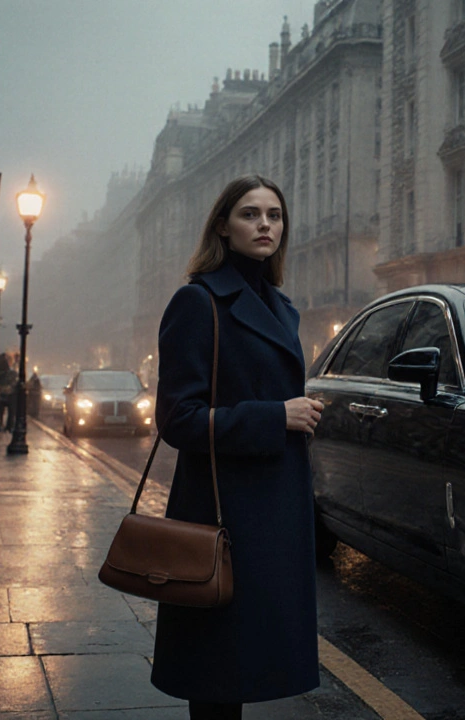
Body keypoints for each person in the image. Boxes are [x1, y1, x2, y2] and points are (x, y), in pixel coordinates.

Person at [150, 176, 324, 720]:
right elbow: (177, 418)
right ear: (223, 226)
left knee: (239, 664)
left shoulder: (279, 305)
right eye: (250, 214)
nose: (265, 225)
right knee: (217, 672)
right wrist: (277, 417)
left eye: (275, 215)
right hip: (223, 513)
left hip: (270, 512)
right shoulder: (197, 302)